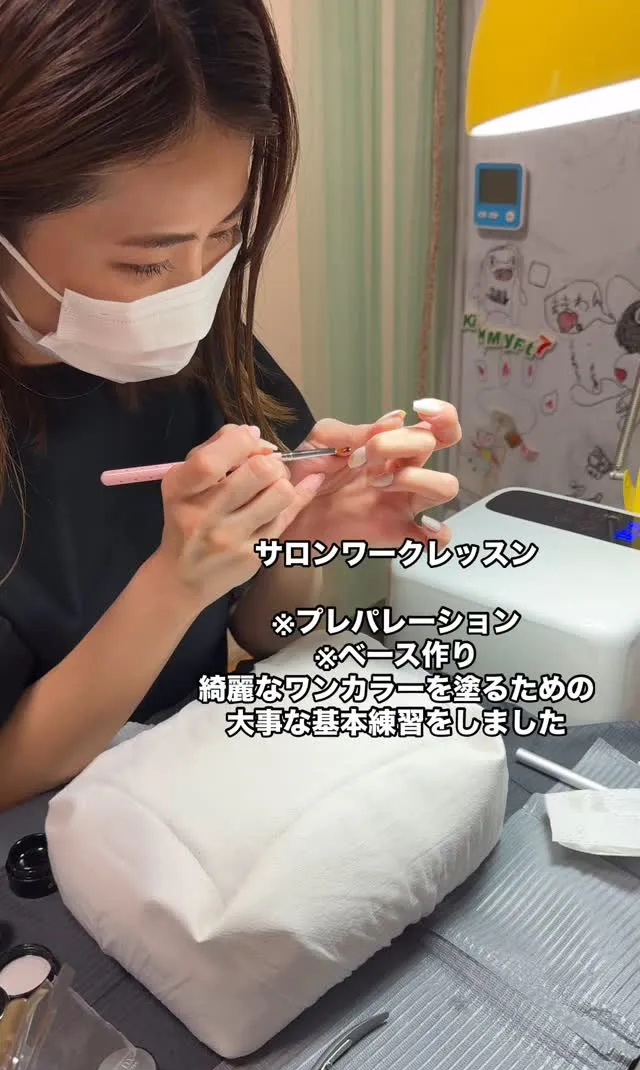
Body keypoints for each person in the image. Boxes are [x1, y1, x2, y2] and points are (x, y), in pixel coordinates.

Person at [0, 0, 460, 812]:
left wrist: (302, 538)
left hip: (193, 804)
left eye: (224, 236)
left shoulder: (208, 355)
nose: (195, 292)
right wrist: (170, 588)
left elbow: (262, 633)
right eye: (145, 265)